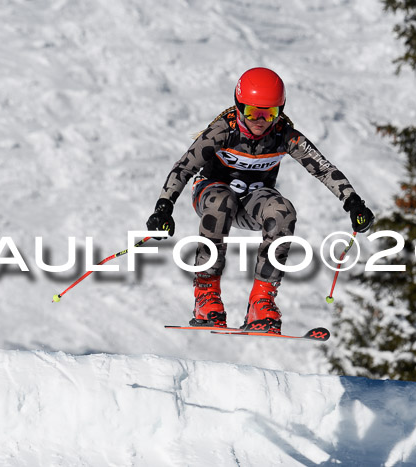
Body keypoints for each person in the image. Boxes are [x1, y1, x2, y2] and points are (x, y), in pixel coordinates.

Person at [147, 67, 374, 334]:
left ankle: (261, 300)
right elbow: (184, 168)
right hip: (211, 193)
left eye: (270, 114)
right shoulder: (223, 130)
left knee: (282, 211)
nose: (261, 121)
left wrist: (353, 202)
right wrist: (164, 207)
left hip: (253, 201)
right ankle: (206, 294)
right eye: (253, 113)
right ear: (239, 106)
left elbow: (322, 168)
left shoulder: (283, 135)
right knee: (222, 202)